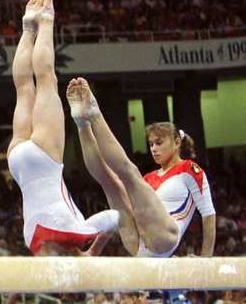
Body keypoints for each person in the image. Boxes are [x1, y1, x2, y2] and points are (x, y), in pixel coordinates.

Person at [6, 0, 119, 256]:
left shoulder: (77, 230)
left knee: (45, 79)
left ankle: (45, 21)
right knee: (23, 88)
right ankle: (27, 27)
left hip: (44, 160)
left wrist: (92, 249)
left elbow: (114, 218)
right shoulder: (33, 244)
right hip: (18, 166)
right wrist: (85, 254)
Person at [66, 77, 216, 257]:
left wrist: (206, 258)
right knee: (110, 181)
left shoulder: (189, 170)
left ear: (177, 143)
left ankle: (95, 114)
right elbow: (119, 215)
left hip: (164, 238)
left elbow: (208, 215)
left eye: (159, 143)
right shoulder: (149, 179)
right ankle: (82, 124)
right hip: (138, 245)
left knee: (129, 173)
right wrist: (93, 251)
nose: (153, 148)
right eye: (151, 144)